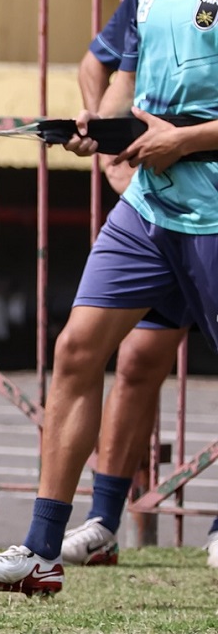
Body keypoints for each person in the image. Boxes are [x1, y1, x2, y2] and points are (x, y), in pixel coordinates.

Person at [0, 0, 218, 595]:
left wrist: (188, 140)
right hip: (149, 208)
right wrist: (107, 133)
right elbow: (116, 73)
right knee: (77, 351)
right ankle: (41, 547)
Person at [56, 44, 216, 569]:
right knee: (133, 360)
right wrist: (104, 137)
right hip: (159, 215)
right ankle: (102, 522)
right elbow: (105, 66)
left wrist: (185, 139)